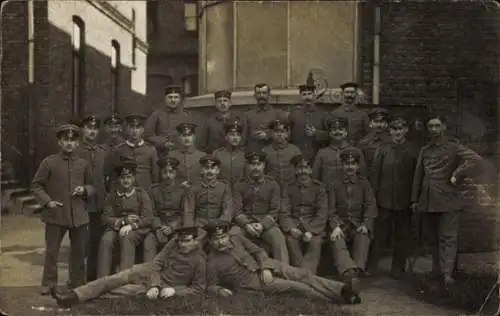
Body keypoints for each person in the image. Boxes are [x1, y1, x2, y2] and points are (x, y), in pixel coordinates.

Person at [205, 220, 361, 304]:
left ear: (227, 234)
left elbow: (259, 252)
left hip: (269, 266)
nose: (221, 242)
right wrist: (219, 291)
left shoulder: (236, 239)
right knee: (300, 288)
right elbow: (210, 285)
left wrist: (266, 267)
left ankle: (342, 289)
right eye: (216, 239)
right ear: (210, 241)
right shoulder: (211, 262)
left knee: (302, 274)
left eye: (223, 237)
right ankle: (338, 300)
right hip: (255, 283)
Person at [50, 226, 207, 308]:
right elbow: (157, 263)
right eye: (180, 240)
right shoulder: (173, 244)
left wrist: (174, 291)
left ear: (195, 241)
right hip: (149, 272)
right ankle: (73, 295)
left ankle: (76, 299)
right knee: (114, 278)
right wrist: (155, 284)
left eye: (187, 241)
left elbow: (198, 289)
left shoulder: (200, 261)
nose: (182, 244)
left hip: (165, 285)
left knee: (119, 292)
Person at [411, 114, 483, 286]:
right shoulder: (425, 150)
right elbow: (418, 176)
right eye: (430, 126)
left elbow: (475, 159)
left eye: (437, 126)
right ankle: (437, 271)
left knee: (448, 237)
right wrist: (414, 199)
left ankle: (447, 274)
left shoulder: (453, 146)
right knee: (432, 238)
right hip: (428, 200)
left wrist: (457, 173)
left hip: (448, 199)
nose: (434, 130)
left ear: (444, 126)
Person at [32, 123, 95, 294]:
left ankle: (76, 282)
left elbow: (92, 186)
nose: (69, 143)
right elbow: (37, 185)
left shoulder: (83, 164)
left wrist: (84, 190)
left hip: (79, 215)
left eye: (73, 140)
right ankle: (48, 283)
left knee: (79, 252)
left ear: (77, 143)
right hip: (56, 214)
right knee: (52, 251)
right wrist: (47, 202)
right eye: (65, 140)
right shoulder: (49, 162)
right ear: (59, 142)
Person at [367, 116, 420, 278]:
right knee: (379, 236)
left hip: (404, 202)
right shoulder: (383, 149)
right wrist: (374, 198)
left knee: (402, 237)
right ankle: (372, 266)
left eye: (400, 129)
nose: (397, 132)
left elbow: (417, 176)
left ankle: (398, 268)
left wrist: (413, 199)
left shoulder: (413, 150)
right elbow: (375, 174)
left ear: (406, 130)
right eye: (394, 129)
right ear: (389, 131)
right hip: (384, 200)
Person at [98, 158, 154, 277]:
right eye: (123, 178)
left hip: (138, 229)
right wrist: (123, 221)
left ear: (133, 178)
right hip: (116, 227)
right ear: (118, 179)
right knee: (106, 240)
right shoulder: (111, 196)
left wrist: (132, 225)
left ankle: (124, 279)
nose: (126, 180)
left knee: (127, 237)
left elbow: (148, 217)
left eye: (129, 177)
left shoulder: (141, 194)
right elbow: (105, 218)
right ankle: (102, 280)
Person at [328, 148, 377, 279]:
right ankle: (347, 270)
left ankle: (357, 271)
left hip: (357, 224)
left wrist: (365, 224)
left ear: (357, 165)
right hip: (342, 225)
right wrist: (336, 226)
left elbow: (370, 206)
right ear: (342, 165)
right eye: (347, 163)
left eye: (353, 163)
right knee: (337, 240)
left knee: (363, 236)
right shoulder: (334, 184)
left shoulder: (364, 184)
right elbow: (331, 209)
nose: (350, 167)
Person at [232, 151, 289, 264]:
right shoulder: (239, 185)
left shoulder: (272, 185)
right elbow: (237, 210)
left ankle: (283, 270)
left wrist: (262, 224)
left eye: (259, 164)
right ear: (247, 166)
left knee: (278, 237)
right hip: (245, 225)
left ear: (264, 165)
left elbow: (275, 210)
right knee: (233, 234)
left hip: (266, 224)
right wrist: (246, 224)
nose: (256, 168)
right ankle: (239, 270)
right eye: (252, 164)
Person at [280, 155, 328, 273]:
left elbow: (322, 213)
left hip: (313, 225)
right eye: (299, 168)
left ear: (311, 170)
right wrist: (291, 228)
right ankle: (302, 274)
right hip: (295, 224)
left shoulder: (319, 188)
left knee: (315, 242)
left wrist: (311, 231)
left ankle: (306, 274)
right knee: (291, 241)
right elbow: (284, 211)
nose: (303, 172)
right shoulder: (288, 188)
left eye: (306, 168)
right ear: (295, 170)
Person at [74, 115, 108, 282]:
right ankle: (76, 279)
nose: (92, 131)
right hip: (81, 204)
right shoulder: (76, 151)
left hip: (100, 204)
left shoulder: (104, 151)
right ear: (82, 130)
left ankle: (93, 278)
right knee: (80, 244)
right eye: (88, 127)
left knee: (96, 242)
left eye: (95, 128)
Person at [143, 157, 190, 261]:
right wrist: (158, 227)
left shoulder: (182, 190)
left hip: (177, 228)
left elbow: (184, 213)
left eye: (171, 172)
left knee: (177, 243)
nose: (168, 175)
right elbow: (151, 213)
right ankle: (149, 272)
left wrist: (172, 227)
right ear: (160, 173)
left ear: (175, 173)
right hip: (159, 226)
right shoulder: (153, 190)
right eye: (165, 172)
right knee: (149, 241)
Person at [184, 156, 234, 241]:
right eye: (206, 168)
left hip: (218, 225)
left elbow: (227, 209)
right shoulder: (194, 188)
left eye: (213, 168)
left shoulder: (224, 187)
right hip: (199, 225)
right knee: (197, 243)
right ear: (201, 170)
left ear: (217, 171)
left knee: (221, 243)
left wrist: (221, 224)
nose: (210, 171)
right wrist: (190, 230)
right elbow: (189, 210)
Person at [107, 114, 159, 192]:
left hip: (146, 192)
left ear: (142, 129)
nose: (135, 131)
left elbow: (155, 176)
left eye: (138, 127)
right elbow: (113, 177)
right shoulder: (119, 150)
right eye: (132, 127)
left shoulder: (150, 150)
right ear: (127, 129)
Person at [312, 116, 367, 186]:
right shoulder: (322, 153)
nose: (337, 132)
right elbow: (315, 179)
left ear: (346, 132)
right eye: (334, 129)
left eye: (340, 129)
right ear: (330, 133)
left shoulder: (357, 152)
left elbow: (363, 177)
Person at [144, 85, 193, 159]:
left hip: (181, 155)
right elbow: (147, 135)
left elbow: (192, 136)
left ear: (180, 99)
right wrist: (163, 143)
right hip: (161, 155)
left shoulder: (186, 115)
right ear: (165, 99)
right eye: (170, 97)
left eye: (176, 97)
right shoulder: (157, 114)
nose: (173, 100)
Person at [289, 84, 328, 160]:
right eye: (304, 94)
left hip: (317, 156)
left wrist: (317, 133)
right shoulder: (294, 115)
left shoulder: (323, 114)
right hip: (298, 156)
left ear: (314, 95)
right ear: (300, 96)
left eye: (309, 94)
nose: (307, 97)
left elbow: (330, 135)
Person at [262, 119, 302, 191]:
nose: (279, 134)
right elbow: (263, 173)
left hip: (290, 189)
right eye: (276, 131)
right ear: (271, 133)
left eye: (282, 132)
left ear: (287, 133)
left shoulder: (295, 150)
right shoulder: (265, 151)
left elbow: (299, 170)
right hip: (271, 189)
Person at [245, 83, 287, 151]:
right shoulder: (248, 114)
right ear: (254, 95)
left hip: (272, 152)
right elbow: (243, 136)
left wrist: (267, 135)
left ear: (269, 95)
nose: (261, 96)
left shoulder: (278, 113)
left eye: (264, 93)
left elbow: (285, 135)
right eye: (258, 93)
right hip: (253, 152)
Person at [168, 122, 207, 186]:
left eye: (189, 135)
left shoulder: (202, 156)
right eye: (184, 135)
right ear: (179, 137)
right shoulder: (171, 155)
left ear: (194, 137)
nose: (187, 138)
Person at [212, 119, 246, 191]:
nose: (235, 138)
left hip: (239, 193)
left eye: (238, 135)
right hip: (222, 192)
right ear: (226, 137)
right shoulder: (217, 154)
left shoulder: (244, 155)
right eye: (232, 135)